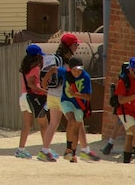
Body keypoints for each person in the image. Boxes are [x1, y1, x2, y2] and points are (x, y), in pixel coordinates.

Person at [38, 33, 80, 162]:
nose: (77, 47)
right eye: (75, 45)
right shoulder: (69, 62)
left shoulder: (54, 58)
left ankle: (44, 151)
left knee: (53, 124)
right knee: (74, 122)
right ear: (69, 46)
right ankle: (71, 153)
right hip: (63, 96)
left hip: (51, 94)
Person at [58, 57, 96, 163]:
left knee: (76, 129)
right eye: (75, 70)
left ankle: (73, 154)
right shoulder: (65, 73)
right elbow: (53, 69)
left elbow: (88, 97)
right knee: (71, 121)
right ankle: (68, 148)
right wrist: (45, 81)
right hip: (66, 101)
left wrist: (75, 94)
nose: (77, 72)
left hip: (79, 105)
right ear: (70, 69)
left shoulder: (86, 77)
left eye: (79, 70)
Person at [15, 44, 49, 159]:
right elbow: (31, 84)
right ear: (38, 55)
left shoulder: (26, 68)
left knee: (27, 125)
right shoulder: (35, 68)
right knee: (44, 124)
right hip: (33, 98)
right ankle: (45, 151)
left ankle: (21, 150)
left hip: (24, 97)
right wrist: (44, 91)